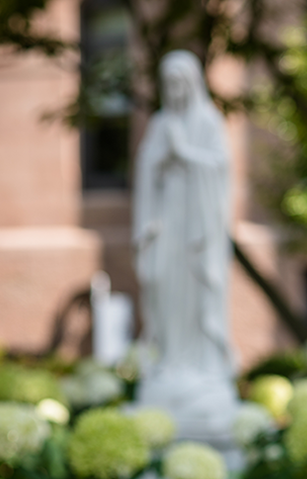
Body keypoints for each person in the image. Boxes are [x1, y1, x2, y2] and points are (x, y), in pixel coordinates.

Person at [132, 49, 235, 379]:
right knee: (163, 284)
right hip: (165, 221)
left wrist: (184, 154)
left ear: (192, 84)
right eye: (168, 84)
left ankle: (200, 363)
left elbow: (220, 168)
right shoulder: (160, 123)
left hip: (197, 227)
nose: (174, 90)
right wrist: (162, 159)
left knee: (194, 291)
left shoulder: (208, 120)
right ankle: (170, 358)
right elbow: (146, 169)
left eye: (180, 83)